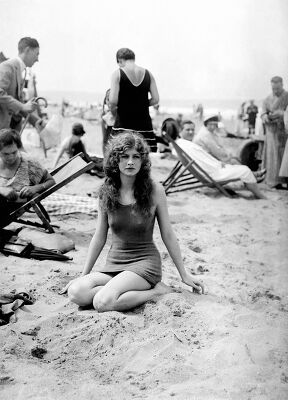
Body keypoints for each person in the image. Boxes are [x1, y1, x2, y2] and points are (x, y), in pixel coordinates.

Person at [61, 132, 204, 312]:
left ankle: (156, 292)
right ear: (116, 160)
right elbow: (99, 236)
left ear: (142, 161)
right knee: (77, 293)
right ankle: (118, 292)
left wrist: (184, 274)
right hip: (115, 264)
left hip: (144, 264)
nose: (130, 162)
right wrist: (83, 275)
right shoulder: (106, 192)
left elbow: (167, 234)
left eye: (136, 157)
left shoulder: (155, 191)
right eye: (125, 156)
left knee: (102, 303)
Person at [163, 119, 266, 199]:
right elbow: (203, 161)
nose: (191, 132)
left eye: (192, 130)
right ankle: (260, 195)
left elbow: (202, 160)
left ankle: (254, 179)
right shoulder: (185, 145)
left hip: (211, 171)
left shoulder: (180, 145)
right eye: (187, 130)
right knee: (245, 170)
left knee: (238, 167)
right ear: (179, 131)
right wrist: (218, 164)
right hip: (213, 174)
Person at [0, 128, 55, 227]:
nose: (11, 157)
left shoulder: (28, 163)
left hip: (8, 210)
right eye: (6, 154)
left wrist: (35, 188)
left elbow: (51, 181)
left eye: (14, 152)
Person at [109, 48, 159, 152]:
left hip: (123, 125)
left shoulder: (117, 74)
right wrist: (141, 105)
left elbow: (113, 101)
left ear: (120, 60)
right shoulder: (148, 74)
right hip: (144, 126)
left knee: (120, 156)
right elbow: (155, 99)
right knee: (143, 158)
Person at [0, 37, 44, 133]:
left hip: (10, 132)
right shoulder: (7, 66)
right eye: (37, 54)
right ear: (27, 50)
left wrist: (37, 121)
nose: (37, 59)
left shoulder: (21, 71)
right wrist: (23, 106)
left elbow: (17, 103)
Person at [261, 76, 288, 189]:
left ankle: (283, 180)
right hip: (271, 130)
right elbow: (262, 113)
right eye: (273, 89)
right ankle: (272, 179)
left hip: (283, 130)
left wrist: (282, 113)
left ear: (282, 85)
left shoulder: (287, 96)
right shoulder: (267, 99)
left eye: (278, 88)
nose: (275, 91)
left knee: (283, 155)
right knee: (271, 154)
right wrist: (265, 117)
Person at [101, 89, 114, 154]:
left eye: (112, 99)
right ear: (105, 101)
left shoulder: (122, 118)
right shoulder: (104, 119)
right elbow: (104, 141)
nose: (110, 102)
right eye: (108, 99)